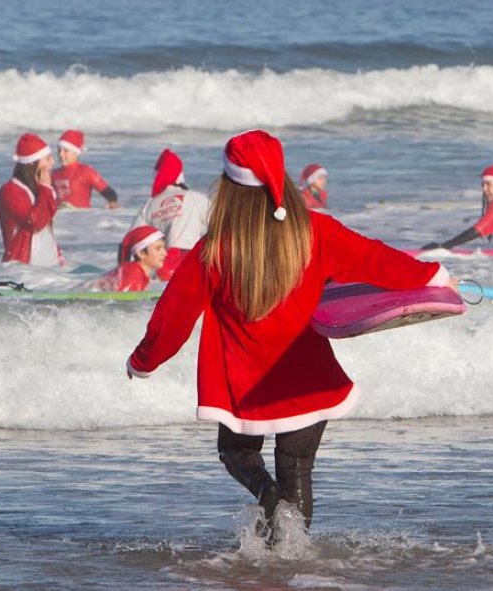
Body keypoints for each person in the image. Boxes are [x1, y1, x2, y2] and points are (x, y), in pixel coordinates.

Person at [126, 130, 456, 536]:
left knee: (234, 451)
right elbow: (376, 259)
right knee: (297, 468)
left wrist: (143, 361)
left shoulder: (214, 250)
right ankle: (293, 557)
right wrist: (434, 276)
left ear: (229, 188)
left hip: (244, 384)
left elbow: (172, 317)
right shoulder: (316, 232)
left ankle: (266, 496)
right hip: (306, 376)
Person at [129, 148, 210, 281]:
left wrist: (128, 271)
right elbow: (225, 229)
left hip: (161, 267)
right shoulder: (197, 198)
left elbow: (131, 240)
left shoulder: (149, 205)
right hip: (191, 263)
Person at [0, 133, 62, 266]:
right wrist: (45, 189)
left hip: (47, 272)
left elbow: (46, 232)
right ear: (33, 162)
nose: (53, 162)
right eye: (47, 158)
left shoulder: (39, 190)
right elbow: (34, 224)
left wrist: (60, 260)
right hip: (22, 273)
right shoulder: (11, 191)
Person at [52, 129, 120, 209]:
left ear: (76, 153)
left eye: (66, 151)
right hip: (61, 218)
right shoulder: (54, 174)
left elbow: (109, 192)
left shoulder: (85, 172)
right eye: (59, 151)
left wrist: (112, 202)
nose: (61, 154)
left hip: (83, 218)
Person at [89, 226, 166, 292]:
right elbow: (122, 302)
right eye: (158, 249)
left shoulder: (138, 273)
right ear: (141, 253)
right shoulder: (133, 275)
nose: (165, 253)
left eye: (164, 248)